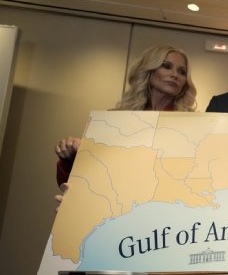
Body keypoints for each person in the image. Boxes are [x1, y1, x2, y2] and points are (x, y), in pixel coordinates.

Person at [54, 44, 197, 188]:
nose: (175, 75)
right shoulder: (114, 120)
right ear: (149, 71)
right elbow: (79, 181)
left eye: (182, 72)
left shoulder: (191, 127)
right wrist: (69, 158)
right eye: (166, 66)